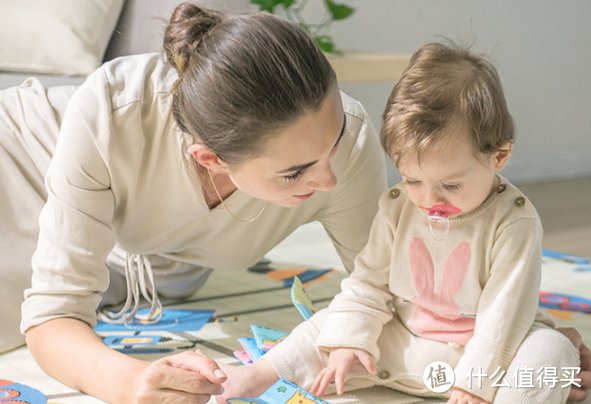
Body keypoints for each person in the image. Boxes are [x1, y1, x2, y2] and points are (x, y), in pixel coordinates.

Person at [3, 3, 385, 404]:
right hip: (21, 166)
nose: (329, 180)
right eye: (294, 173)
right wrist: (134, 382)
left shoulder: (351, 144)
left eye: (336, 138)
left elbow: (393, 291)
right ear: (212, 160)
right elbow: (52, 317)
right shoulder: (111, 112)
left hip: (141, 251)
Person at [215, 41, 590, 404]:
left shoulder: (514, 221)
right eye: (411, 180)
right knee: (330, 323)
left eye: (451, 184)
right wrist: (348, 341)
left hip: (489, 361)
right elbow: (367, 283)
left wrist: (477, 383)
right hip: (407, 346)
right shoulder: (397, 208)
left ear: (499, 156)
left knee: (550, 352)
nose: (428, 199)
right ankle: (255, 377)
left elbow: (504, 316)